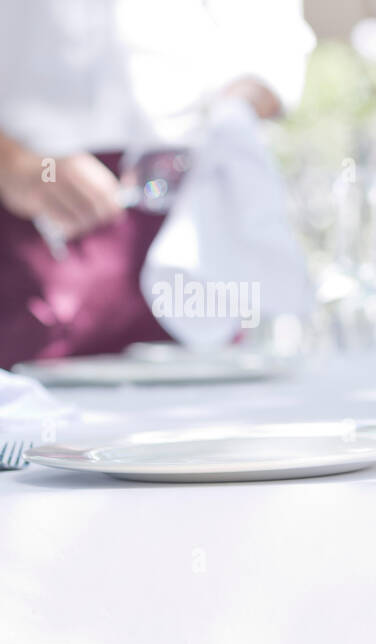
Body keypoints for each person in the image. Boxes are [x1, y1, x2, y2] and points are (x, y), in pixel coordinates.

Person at [0, 0, 314, 368]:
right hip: (32, 215)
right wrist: (12, 162)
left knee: (215, 397)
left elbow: (272, 39)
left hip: (194, 221)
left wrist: (234, 116)